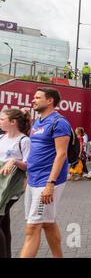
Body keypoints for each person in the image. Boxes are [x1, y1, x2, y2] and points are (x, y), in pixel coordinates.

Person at [20, 88, 72, 258]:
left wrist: (50, 183)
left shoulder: (59, 122)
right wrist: (28, 176)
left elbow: (61, 154)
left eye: (37, 97)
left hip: (47, 181)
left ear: (50, 100)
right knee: (47, 223)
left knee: (33, 227)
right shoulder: (38, 122)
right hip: (34, 179)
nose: (33, 100)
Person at [0, 109, 31, 258]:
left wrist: (13, 161)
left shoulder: (24, 140)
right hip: (0, 184)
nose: (0, 121)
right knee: (4, 222)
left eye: (2, 119)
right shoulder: (2, 138)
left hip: (11, 186)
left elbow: (28, 165)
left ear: (13, 122)